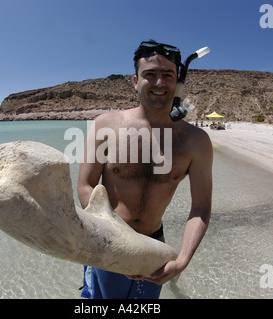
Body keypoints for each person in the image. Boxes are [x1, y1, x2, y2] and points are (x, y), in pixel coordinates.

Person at [78, 40, 213, 299]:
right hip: (108, 244)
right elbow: (86, 185)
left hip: (155, 250)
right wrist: (117, 239)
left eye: (167, 75)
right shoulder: (105, 126)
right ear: (135, 80)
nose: (159, 83)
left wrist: (181, 260)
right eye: (149, 74)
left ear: (177, 81)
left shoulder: (196, 141)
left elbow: (201, 208)